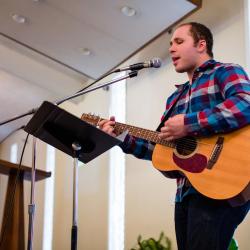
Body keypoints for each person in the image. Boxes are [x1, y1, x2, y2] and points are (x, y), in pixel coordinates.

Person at [98, 22, 250, 250]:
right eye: (171, 44)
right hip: (185, 194)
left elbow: (245, 104)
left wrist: (189, 124)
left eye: (179, 42)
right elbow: (163, 150)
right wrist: (121, 138)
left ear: (201, 44)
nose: (171, 49)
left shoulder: (225, 72)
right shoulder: (174, 99)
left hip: (220, 188)